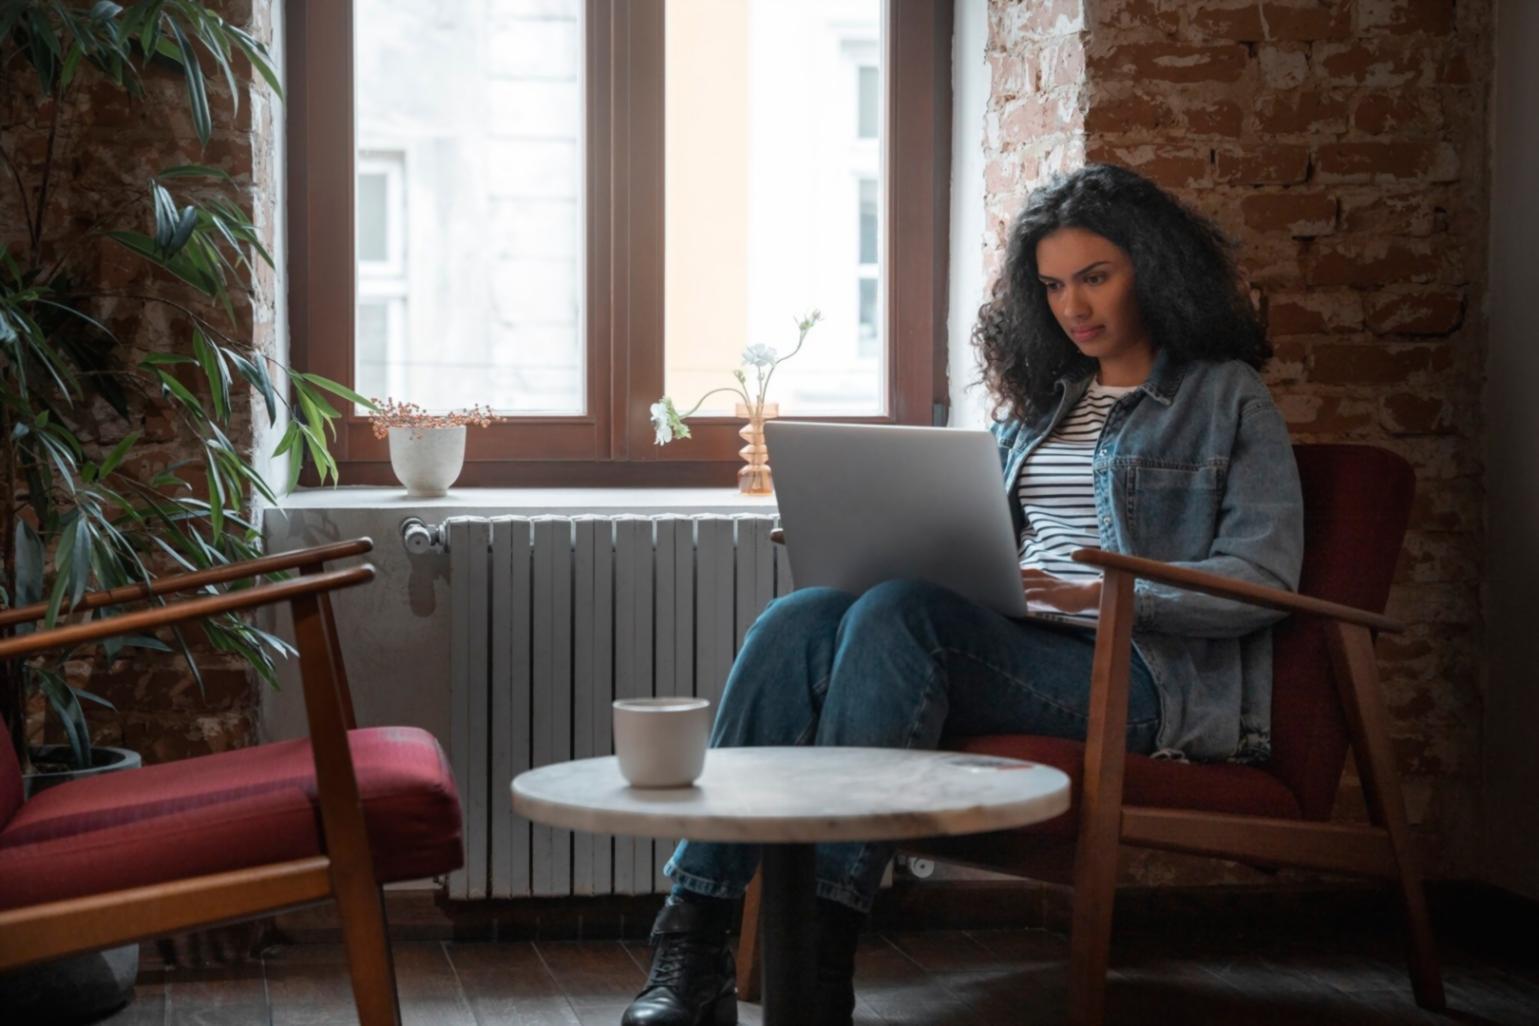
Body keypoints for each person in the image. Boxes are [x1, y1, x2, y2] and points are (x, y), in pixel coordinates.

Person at [619, 163, 1304, 1026]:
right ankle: (692, 943)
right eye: (1052, 285)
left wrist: (1086, 595)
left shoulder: (1225, 398)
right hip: (1017, 641)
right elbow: (977, 540)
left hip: (1138, 673)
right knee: (801, 618)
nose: (1073, 306)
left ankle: (822, 955)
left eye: (1095, 277)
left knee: (903, 615)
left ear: (1155, 270)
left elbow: (1261, 585)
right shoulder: (1041, 406)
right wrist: (871, 540)